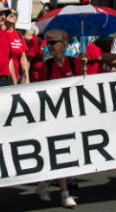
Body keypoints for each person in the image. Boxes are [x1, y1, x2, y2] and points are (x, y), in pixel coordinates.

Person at [33, 29, 77, 208]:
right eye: (47, 43)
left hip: (73, 115)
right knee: (60, 152)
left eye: (53, 43)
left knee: (67, 153)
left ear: (64, 45)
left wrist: (83, 71)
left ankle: (44, 184)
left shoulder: (75, 64)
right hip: (54, 116)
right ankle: (64, 194)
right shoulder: (47, 66)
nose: (49, 46)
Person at [5, 9, 30, 84]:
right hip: (4, 79)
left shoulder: (18, 35)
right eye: (9, 13)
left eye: (15, 14)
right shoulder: (0, 34)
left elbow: (23, 58)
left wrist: (26, 77)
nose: (12, 15)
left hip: (17, 79)